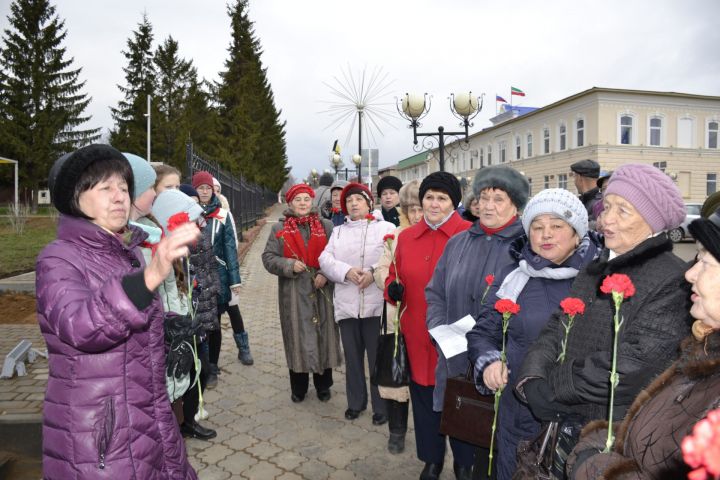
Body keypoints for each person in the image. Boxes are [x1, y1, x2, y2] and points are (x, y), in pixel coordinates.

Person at [36, 144, 198, 479]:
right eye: (106, 187)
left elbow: (127, 320)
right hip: (99, 435)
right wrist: (152, 275)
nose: (119, 196)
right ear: (75, 198)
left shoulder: (127, 253)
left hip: (145, 414)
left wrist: (168, 327)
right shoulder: (58, 258)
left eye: (124, 188)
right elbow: (81, 327)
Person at [515, 163, 692, 468]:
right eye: (606, 206)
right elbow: (558, 325)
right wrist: (532, 376)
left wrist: (552, 387)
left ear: (653, 221)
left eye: (623, 211)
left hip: (614, 437)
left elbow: (634, 363)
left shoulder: (673, 279)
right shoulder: (598, 265)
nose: (605, 219)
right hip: (568, 426)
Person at [567, 213, 720, 479]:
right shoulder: (702, 351)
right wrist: (597, 441)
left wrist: (593, 465)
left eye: (705, 261)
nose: (690, 273)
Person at [466, 189, 602, 480]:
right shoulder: (515, 275)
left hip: (577, 414)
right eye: (537, 227)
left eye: (556, 226)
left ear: (577, 234)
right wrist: (489, 361)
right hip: (518, 407)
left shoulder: (599, 280)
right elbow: (483, 331)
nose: (546, 235)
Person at [425, 165, 530, 480]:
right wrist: (440, 329)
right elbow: (435, 292)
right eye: (483, 197)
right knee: (460, 429)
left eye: (498, 198)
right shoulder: (458, 243)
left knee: (493, 445)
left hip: (499, 366)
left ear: (516, 205)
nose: (487, 205)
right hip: (454, 357)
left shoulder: (526, 247)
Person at [384, 172, 473, 478]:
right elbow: (392, 279)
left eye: (442, 198)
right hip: (418, 335)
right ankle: (432, 459)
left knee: (458, 399)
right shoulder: (407, 237)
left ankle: (464, 462)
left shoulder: (470, 235)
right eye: (429, 197)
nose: (434, 204)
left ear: (454, 202)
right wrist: (393, 290)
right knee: (423, 400)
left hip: (456, 338)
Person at [319, 182, 395, 423]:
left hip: (375, 304)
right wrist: (346, 271)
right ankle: (356, 402)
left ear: (369, 203)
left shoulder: (386, 227)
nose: (353, 204)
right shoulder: (339, 231)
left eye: (358, 200)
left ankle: (381, 407)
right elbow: (325, 259)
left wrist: (373, 272)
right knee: (352, 358)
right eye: (349, 201)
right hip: (347, 304)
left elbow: (392, 257)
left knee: (376, 358)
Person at [262, 183, 342, 402]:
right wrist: (288, 265)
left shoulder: (326, 226)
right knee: (297, 339)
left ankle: (323, 386)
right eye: (298, 200)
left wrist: (325, 273)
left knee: (324, 336)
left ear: (312, 202)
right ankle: (299, 388)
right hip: (294, 293)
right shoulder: (279, 229)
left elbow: (336, 255)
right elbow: (268, 258)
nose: (303, 204)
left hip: (322, 291)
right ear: (290, 203)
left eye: (306, 199)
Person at [153, 189, 220, 440]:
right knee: (179, 380)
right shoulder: (159, 252)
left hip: (188, 324)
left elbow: (181, 287)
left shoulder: (179, 251)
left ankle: (187, 422)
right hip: (173, 330)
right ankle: (176, 429)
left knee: (196, 372)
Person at [372, 179, 422, 454]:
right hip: (397, 316)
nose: (416, 215)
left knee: (424, 381)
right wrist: (388, 283)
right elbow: (381, 268)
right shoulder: (397, 236)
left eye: (419, 209)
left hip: (426, 320)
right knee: (396, 374)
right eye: (410, 210)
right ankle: (397, 431)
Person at [192, 170, 245, 386]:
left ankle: (213, 367)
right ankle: (198, 366)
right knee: (197, 324)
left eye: (208, 188)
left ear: (213, 190)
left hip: (217, 277)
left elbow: (230, 249)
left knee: (213, 323)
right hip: (194, 277)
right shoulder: (188, 213)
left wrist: (234, 280)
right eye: (201, 188)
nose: (205, 191)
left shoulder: (223, 215)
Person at [212, 175, 254, 366]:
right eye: (209, 188)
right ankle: (212, 359)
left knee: (233, 309)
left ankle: (243, 347)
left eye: (217, 189)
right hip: (207, 276)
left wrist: (231, 273)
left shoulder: (223, 213)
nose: (214, 192)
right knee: (214, 317)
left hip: (225, 272)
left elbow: (232, 244)